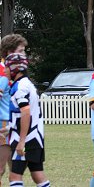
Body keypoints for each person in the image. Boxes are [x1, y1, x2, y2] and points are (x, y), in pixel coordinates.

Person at [4, 53, 50, 187]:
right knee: (37, 174)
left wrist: (21, 141)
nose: (5, 71)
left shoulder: (20, 87)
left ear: (15, 68)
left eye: (7, 67)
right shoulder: (26, 84)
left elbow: (25, 112)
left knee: (14, 177)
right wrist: (8, 128)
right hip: (35, 136)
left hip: (25, 139)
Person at [0, 34, 28, 187]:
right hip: (3, 125)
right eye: (21, 51)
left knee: (15, 172)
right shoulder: (3, 72)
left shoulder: (11, 72)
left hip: (12, 125)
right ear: (10, 52)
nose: (24, 55)